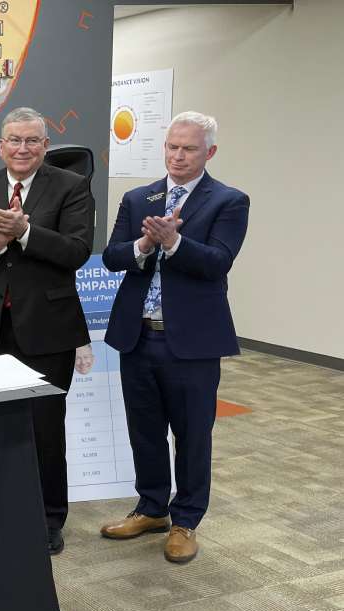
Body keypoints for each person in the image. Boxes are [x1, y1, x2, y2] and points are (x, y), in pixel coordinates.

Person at [99, 111, 248, 564]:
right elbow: (111, 257)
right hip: (138, 336)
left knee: (192, 434)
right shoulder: (138, 197)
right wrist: (144, 246)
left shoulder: (228, 200)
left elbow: (217, 261)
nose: (177, 156)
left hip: (192, 343)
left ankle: (185, 520)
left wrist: (174, 244)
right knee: (144, 430)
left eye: (188, 149)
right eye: (171, 147)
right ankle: (151, 508)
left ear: (210, 153)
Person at [0, 107, 93, 555]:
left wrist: (27, 231)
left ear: (45, 146)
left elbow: (77, 251)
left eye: (32, 140)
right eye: (14, 140)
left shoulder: (71, 187)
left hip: (48, 333)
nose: (23, 148)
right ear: (1, 145)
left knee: (45, 431)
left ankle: (50, 519)